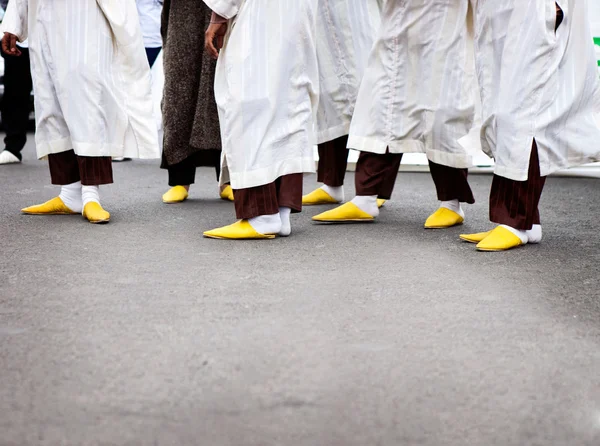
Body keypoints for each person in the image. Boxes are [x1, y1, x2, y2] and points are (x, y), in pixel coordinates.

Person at [313, 0, 477, 229]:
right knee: (380, 108)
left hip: (441, 21)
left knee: (440, 114)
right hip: (397, 25)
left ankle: (451, 203)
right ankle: (366, 197)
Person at [1, 0, 159, 223]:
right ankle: (70, 193)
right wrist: (14, 22)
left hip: (86, 19)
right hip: (44, 19)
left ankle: (90, 193)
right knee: (51, 104)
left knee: (88, 103)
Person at [460, 0, 600, 251]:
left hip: (533, 9)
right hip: (500, 11)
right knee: (503, 112)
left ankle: (515, 222)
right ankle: (526, 221)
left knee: (525, 111)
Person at [202, 0, 318, 240]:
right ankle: (281, 211)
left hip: (260, 13)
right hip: (297, 14)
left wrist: (218, 16)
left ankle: (261, 216)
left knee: (251, 101)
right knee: (289, 101)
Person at [301, 0, 382, 208]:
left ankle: (373, 190)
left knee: (371, 100)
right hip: (321, 23)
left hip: (359, 22)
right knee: (329, 103)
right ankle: (331, 184)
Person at [160, 0, 231, 205]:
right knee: (178, 89)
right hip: (181, 10)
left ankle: (228, 180)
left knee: (219, 86)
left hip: (220, 5)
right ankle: (179, 180)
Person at [0, 0, 32, 165]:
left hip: (60, 32)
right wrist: (11, 26)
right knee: (15, 92)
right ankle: (12, 147)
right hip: (18, 32)